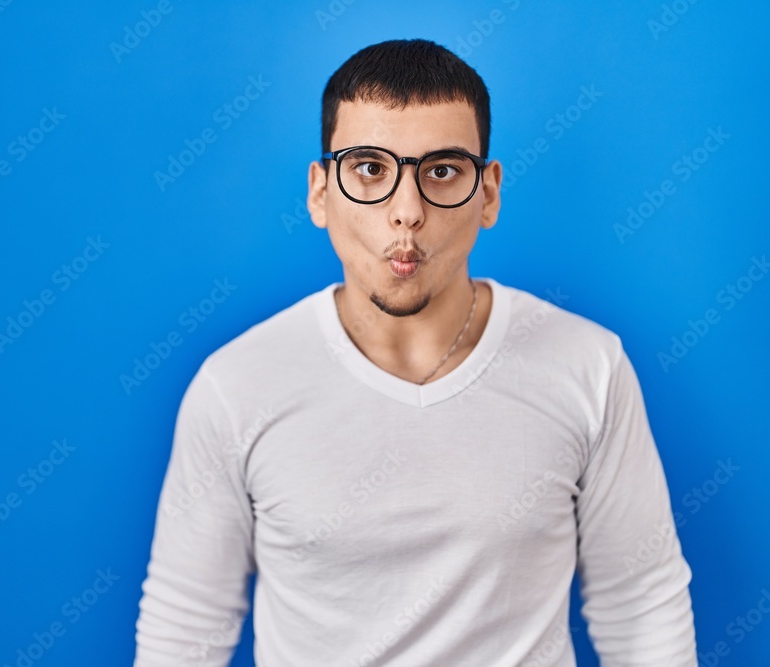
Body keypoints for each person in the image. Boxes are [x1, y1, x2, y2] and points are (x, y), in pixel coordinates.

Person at [134, 39, 696, 666]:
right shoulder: (237, 385)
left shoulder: (588, 365)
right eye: (370, 168)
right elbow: (187, 628)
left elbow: (641, 601)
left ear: (488, 194)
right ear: (320, 192)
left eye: (443, 171)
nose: (407, 213)